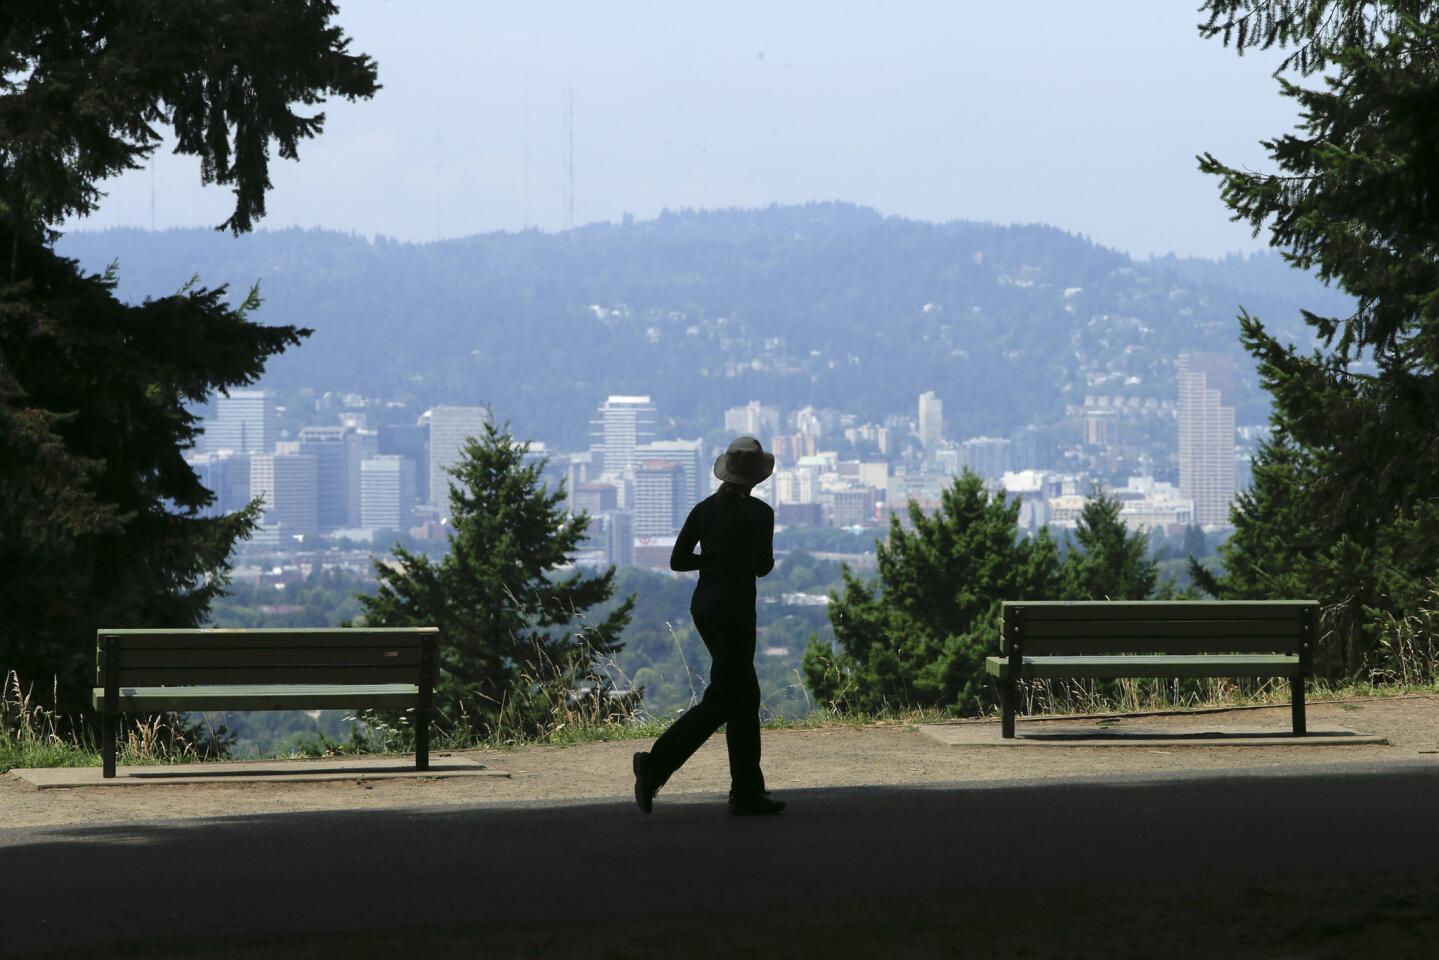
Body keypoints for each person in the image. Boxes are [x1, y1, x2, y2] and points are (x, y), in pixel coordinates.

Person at [632, 436, 785, 816]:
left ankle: (747, 792)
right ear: (755, 477)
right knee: (724, 699)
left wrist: (713, 560)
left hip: (705, 607)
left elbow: (678, 560)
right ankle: (655, 765)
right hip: (736, 609)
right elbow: (761, 566)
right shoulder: (759, 514)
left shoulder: (703, 510)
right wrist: (736, 560)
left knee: (744, 697)